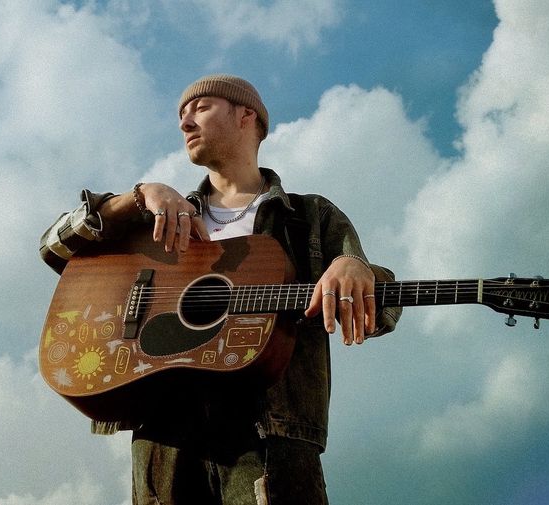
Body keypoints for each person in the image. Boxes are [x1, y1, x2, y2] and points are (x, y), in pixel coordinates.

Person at [40, 74, 401, 504]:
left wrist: (354, 266)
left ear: (246, 116)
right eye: (181, 114)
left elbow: (380, 312)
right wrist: (139, 196)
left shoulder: (308, 217)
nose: (185, 123)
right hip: (164, 440)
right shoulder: (158, 215)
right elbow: (53, 247)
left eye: (201, 108)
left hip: (270, 441)